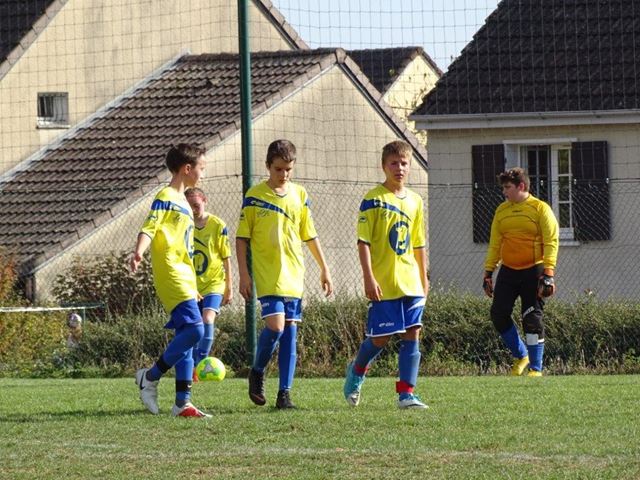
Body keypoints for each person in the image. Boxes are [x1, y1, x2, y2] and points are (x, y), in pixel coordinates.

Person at [236, 139, 333, 409]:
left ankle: (284, 394)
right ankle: (257, 371)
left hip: (294, 273)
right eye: (278, 169)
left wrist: (324, 268)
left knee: (290, 331)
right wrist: (244, 274)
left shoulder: (299, 194)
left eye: (288, 169)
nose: (284, 174)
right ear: (268, 166)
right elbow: (242, 238)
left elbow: (309, 234)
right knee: (276, 326)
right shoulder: (254, 196)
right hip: (268, 274)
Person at [343, 140, 429, 409]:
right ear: (384, 166)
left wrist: (424, 277)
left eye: (404, 163)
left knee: (413, 332)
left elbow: (418, 244)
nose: (399, 168)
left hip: (410, 280)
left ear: (409, 166)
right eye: (394, 163)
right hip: (384, 282)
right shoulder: (373, 199)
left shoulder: (415, 201)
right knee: (380, 339)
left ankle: (406, 394)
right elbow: (363, 242)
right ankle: (357, 371)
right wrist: (368, 277)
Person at [130, 143, 210, 418]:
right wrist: (139, 252)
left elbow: (185, 246)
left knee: (185, 336)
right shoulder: (165, 196)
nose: (202, 173)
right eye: (201, 168)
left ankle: (182, 403)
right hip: (171, 272)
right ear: (187, 169)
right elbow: (149, 227)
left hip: (185, 276)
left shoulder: (184, 203)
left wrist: (193, 285)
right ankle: (150, 376)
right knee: (196, 331)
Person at [482, 167, 559, 377]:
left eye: (507, 187)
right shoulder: (501, 211)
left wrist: (548, 273)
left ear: (521, 186)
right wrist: (488, 272)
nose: (504, 192)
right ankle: (521, 355)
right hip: (508, 271)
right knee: (498, 314)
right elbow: (495, 243)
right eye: (503, 187)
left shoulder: (540, 209)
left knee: (531, 318)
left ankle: (536, 368)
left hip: (534, 270)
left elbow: (551, 241)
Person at [184, 187, 233, 377]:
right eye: (189, 206)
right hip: (191, 284)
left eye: (196, 205)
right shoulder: (184, 225)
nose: (193, 209)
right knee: (193, 326)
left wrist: (229, 287)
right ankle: (190, 366)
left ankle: (200, 364)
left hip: (214, 283)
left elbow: (226, 258)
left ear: (205, 201)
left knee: (207, 319)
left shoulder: (217, 225)